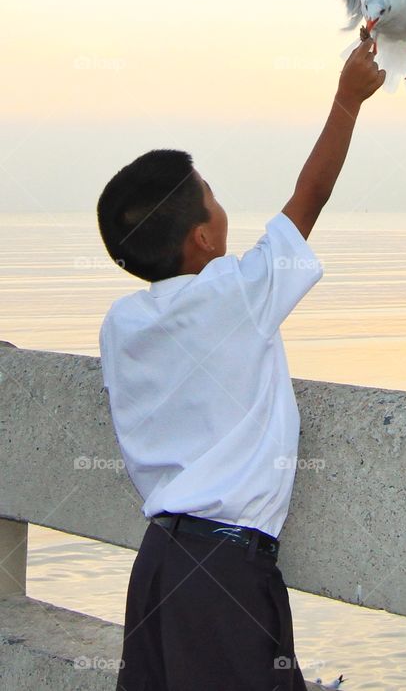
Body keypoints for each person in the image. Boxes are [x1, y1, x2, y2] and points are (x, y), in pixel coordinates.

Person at [96, 37, 384, 690]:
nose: (224, 206)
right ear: (204, 235)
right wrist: (347, 99)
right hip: (224, 574)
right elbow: (310, 197)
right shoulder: (237, 295)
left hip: (159, 567)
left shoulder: (121, 323)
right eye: (212, 195)